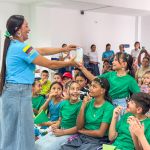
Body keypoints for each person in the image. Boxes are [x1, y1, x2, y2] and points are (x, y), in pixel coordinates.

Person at [0, 15, 77, 150]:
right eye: (26, 26)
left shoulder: (18, 46)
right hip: (17, 93)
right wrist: (70, 62)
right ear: (18, 30)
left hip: (15, 92)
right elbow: (50, 64)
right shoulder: (21, 48)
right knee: (21, 132)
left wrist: (63, 49)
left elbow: (41, 50)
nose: (29, 29)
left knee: (14, 132)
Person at [60, 78, 114, 150]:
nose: (90, 88)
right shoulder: (88, 103)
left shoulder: (108, 107)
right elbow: (79, 126)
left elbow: (100, 133)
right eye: (91, 86)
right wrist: (83, 106)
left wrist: (83, 131)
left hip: (97, 140)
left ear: (102, 91)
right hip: (83, 137)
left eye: (94, 87)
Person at [35, 81, 82, 150]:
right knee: (38, 144)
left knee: (47, 147)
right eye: (72, 89)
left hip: (71, 133)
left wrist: (62, 131)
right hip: (59, 130)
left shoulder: (81, 105)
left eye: (78, 89)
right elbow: (60, 120)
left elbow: (79, 127)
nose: (75, 91)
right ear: (68, 91)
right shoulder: (64, 103)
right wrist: (56, 125)